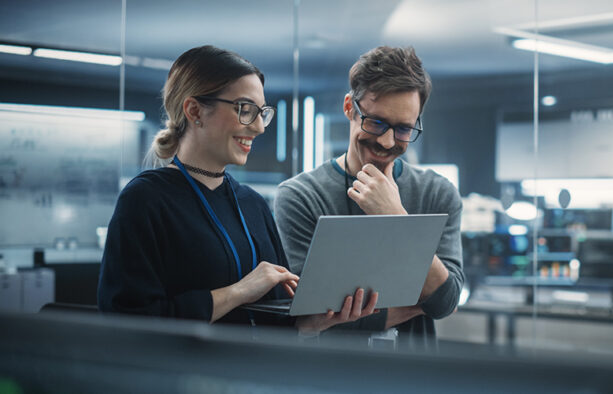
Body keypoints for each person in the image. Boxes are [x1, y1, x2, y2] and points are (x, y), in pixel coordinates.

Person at [98, 45, 377, 331]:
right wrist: (238, 292)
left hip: (253, 373)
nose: (258, 127)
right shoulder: (145, 200)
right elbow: (127, 322)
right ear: (195, 110)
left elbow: (276, 321)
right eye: (245, 110)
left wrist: (312, 321)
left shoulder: (252, 204)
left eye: (262, 113)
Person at [274, 46, 463, 337]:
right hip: (332, 374)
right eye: (376, 122)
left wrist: (396, 217)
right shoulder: (299, 195)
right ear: (350, 107)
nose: (388, 142)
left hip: (412, 377)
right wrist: (415, 303)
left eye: (403, 129)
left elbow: (445, 302)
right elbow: (308, 312)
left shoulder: (437, 192)